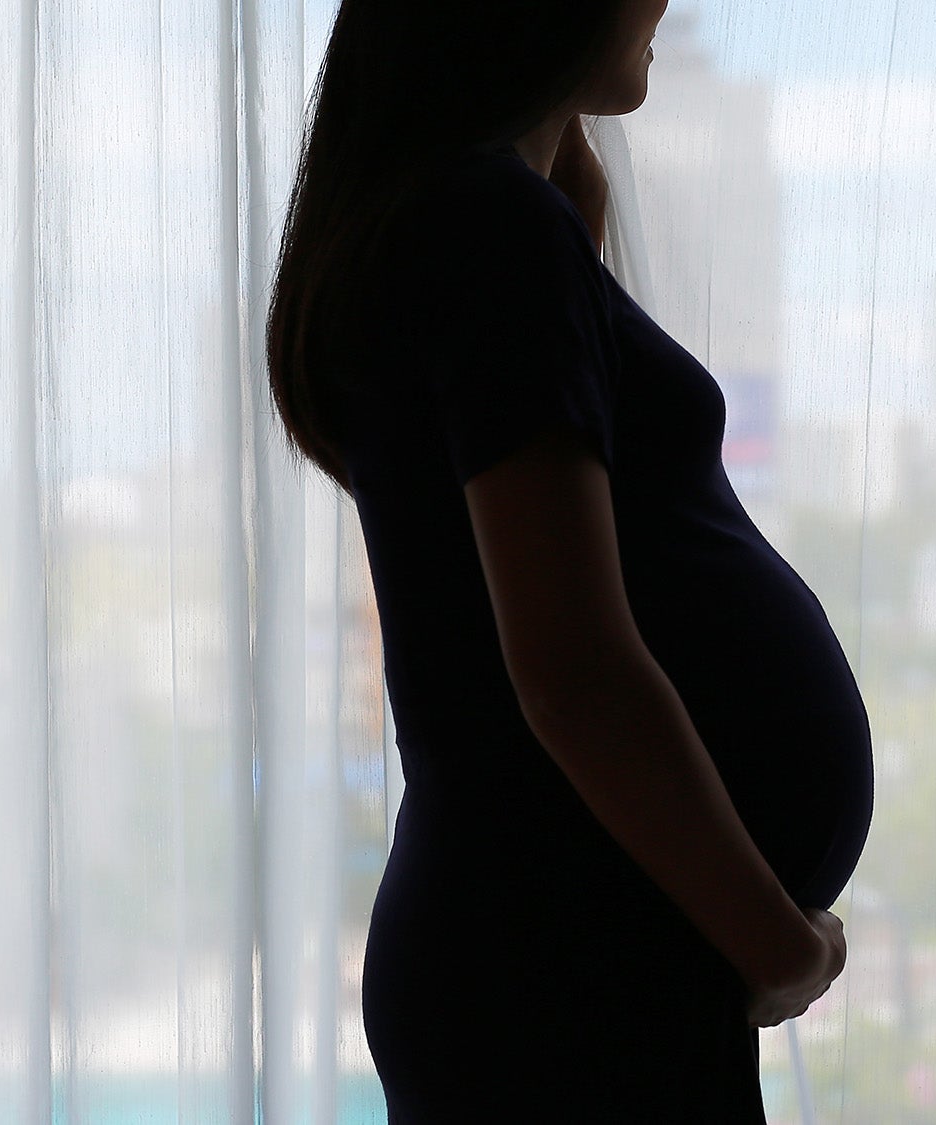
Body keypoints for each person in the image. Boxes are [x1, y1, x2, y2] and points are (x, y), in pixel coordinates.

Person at [262, 0, 874, 1118]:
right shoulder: (488, 228)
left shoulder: (468, 220)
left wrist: (568, 223)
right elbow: (572, 671)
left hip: (561, 962)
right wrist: (774, 945)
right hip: (569, 974)